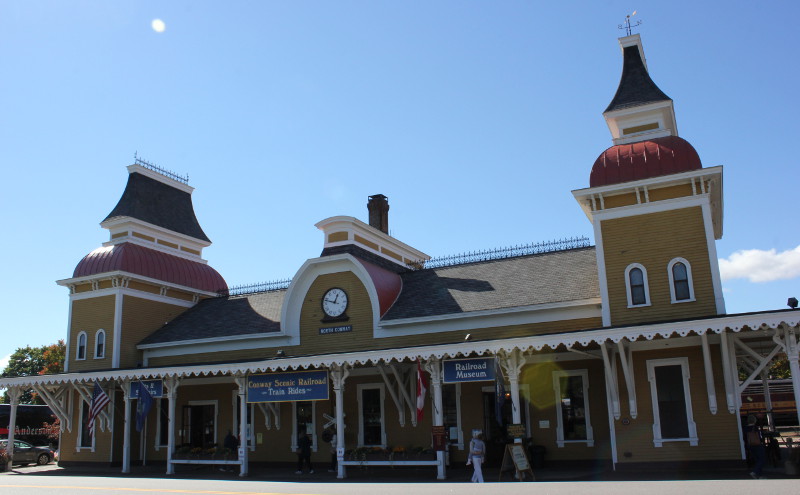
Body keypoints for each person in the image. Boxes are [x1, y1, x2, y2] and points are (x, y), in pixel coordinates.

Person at [744, 415, 766, 479]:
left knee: (757, 460)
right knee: (762, 459)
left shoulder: (745, 428)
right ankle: (755, 472)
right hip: (757, 445)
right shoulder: (755, 428)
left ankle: (759, 475)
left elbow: (745, 438)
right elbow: (759, 437)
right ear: (754, 420)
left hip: (750, 445)